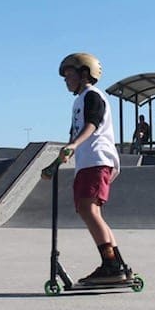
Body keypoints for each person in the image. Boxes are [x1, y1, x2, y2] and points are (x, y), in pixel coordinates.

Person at [54, 52, 127, 284]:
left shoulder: (93, 96)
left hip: (97, 159)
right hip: (88, 162)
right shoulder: (79, 100)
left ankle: (111, 266)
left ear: (84, 73)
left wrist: (74, 145)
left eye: (69, 74)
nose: (66, 80)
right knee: (92, 212)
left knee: (88, 209)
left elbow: (92, 124)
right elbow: (75, 134)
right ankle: (117, 265)